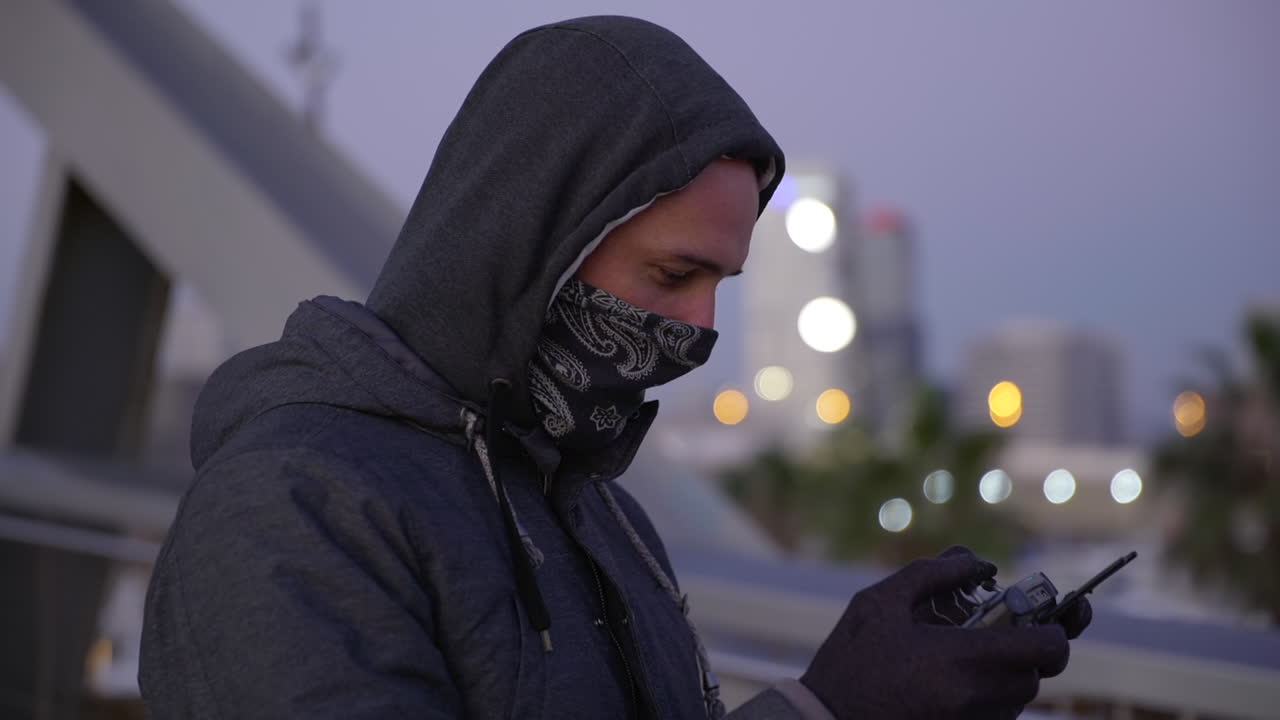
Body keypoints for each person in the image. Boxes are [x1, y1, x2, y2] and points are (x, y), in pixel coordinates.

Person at [139, 15, 1089, 720]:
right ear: (529, 242)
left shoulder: (598, 513)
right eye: (675, 274)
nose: (701, 329)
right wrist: (823, 713)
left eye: (722, 284)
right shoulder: (289, 510)